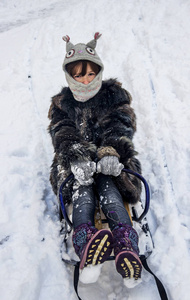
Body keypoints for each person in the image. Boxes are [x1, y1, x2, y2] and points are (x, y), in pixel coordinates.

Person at [48, 33, 142, 287]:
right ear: (70, 76)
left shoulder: (114, 95)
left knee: (111, 191)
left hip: (110, 161)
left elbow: (121, 126)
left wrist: (112, 150)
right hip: (79, 164)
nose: (86, 80)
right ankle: (86, 240)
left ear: (98, 71)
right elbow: (62, 131)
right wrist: (75, 156)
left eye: (90, 73)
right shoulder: (62, 103)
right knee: (82, 192)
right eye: (79, 75)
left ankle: (126, 242)